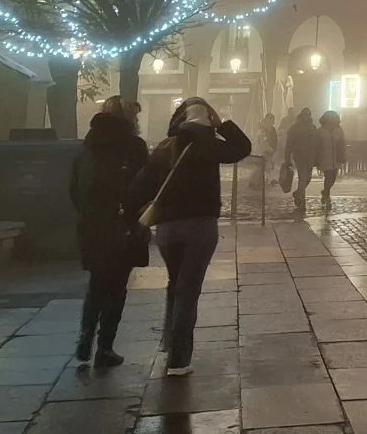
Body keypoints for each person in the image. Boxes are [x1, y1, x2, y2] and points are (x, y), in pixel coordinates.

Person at [127, 97, 253, 377]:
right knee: (188, 290)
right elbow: (243, 148)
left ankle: (170, 342)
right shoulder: (209, 147)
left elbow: (140, 186)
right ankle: (179, 359)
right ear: (208, 120)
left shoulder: (165, 147)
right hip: (200, 227)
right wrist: (223, 125)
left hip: (169, 229)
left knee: (175, 283)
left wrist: (134, 213)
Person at [69, 96, 148, 368]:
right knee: (116, 289)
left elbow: (74, 189)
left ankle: (85, 333)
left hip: (91, 227)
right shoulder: (133, 147)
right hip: (121, 228)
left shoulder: (87, 147)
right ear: (129, 118)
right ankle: (105, 347)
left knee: (97, 283)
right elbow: (143, 187)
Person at [285, 107, 319, 214]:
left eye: (309, 114)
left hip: (310, 157)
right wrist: (287, 158)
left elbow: (317, 143)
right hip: (300, 157)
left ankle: (298, 193)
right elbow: (289, 144)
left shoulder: (313, 128)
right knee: (303, 178)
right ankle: (301, 203)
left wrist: (317, 157)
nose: (307, 116)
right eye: (306, 114)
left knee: (307, 179)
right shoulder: (295, 128)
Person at [314, 110, 347, 213]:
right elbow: (317, 145)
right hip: (325, 158)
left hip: (336, 158)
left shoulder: (338, 130)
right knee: (329, 177)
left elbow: (342, 143)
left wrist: (343, 155)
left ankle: (325, 192)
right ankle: (327, 197)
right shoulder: (321, 131)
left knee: (333, 177)